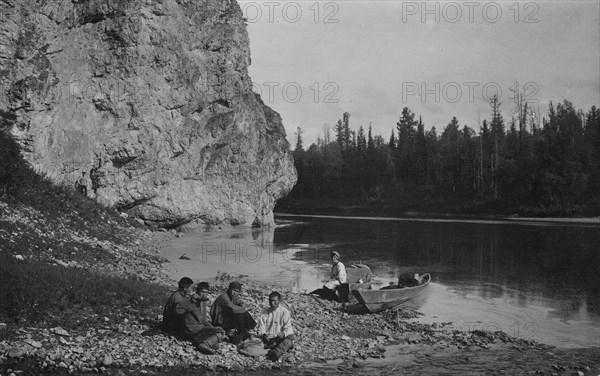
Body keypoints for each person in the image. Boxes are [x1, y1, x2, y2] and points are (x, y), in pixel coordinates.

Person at [182, 282, 226, 355]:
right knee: (219, 333)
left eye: (206, 292)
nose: (204, 294)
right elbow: (200, 319)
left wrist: (212, 327)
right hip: (193, 330)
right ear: (197, 291)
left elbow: (204, 320)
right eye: (202, 292)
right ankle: (205, 344)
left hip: (196, 328)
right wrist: (213, 329)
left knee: (216, 345)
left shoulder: (202, 302)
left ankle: (203, 341)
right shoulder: (194, 300)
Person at [256, 291, 295, 361]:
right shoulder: (265, 312)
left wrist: (283, 333)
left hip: (279, 339)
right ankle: (274, 349)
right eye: (270, 301)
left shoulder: (284, 312)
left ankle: (275, 354)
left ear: (279, 301)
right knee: (252, 342)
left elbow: (289, 328)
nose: (272, 303)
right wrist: (263, 334)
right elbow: (261, 327)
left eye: (274, 301)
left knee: (290, 338)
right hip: (268, 340)